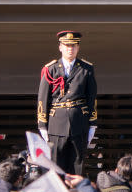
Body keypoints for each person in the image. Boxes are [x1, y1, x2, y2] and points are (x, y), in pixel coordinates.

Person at [36, 30, 98, 175]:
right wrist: (42, 125)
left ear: (78, 48)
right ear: (60, 47)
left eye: (74, 45)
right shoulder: (50, 69)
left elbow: (92, 98)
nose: (70, 48)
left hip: (79, 122)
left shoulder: (86, 69)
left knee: (78, 164)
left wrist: (93, 123)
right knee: (57, 165)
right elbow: (42, 98)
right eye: (67, 45)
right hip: (56, 123)